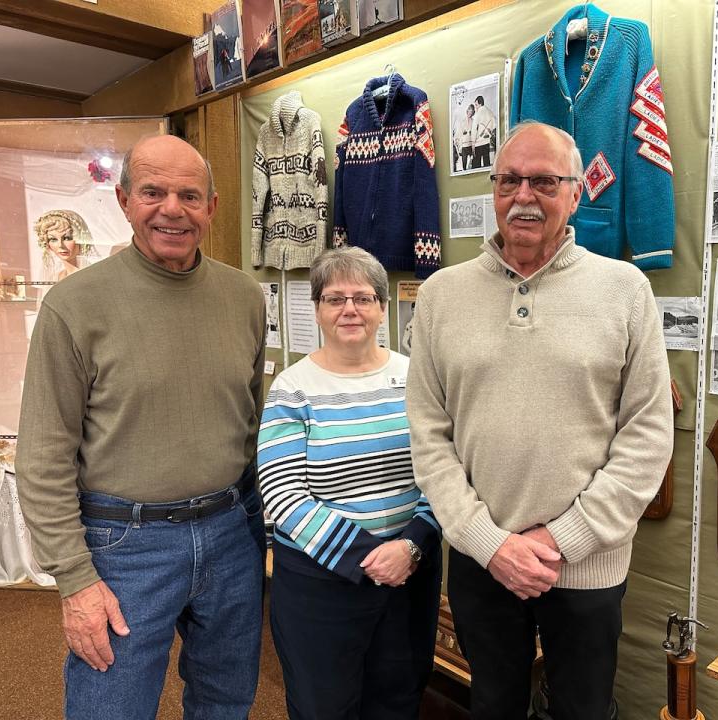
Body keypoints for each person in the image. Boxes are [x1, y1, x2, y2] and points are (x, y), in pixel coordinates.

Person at [406, 121, 673, 720]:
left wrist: (559, 542)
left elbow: (648, 435)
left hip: (586, 565)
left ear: (577, 192)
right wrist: (490, 543)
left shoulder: (624, 290)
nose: (523, 196)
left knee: (582, 709)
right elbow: (429, 436)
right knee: (493, 705)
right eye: (509, 180)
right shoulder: (442, 296)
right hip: (482, 561)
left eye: (544, 182)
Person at [15, 135, 267, 720]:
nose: (172, 209)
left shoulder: (243, 296)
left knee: (227, 702)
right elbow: (45, 457)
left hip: (231, 532)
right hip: (122, 546)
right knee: (112, 707)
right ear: (125, 200)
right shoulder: (75, 306)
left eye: (189, 195)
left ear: (212, 205)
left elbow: (250, 423)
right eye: (153, 192)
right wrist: (75, 581)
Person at [259, 247, 441, 720]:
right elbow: (281, 494)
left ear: (382, 307)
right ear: (317, 309)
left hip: (408, 574)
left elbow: (443, 471)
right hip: (322, 585)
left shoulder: (415, 377)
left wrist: (411, 548)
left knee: (398, 698)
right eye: (334, 298)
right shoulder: (293, 388)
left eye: (362, 297)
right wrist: (367, 557)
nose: (349, 309)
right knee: (325, 707)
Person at [34, 209, 95, 281]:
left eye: (67, 238)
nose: (60, 245)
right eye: (53, 239)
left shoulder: (90, 276)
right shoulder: (55, 278)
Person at [472, 95, 497, 169]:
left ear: (480, 104)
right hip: (487, 141)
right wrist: (489, 131)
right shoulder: (489, 111)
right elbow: (494, 124)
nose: (475, 107)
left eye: (476, 105)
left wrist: (473, 142)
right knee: (487, 162)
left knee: (477, 164)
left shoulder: (478, 113)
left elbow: (474, 128)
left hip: (478, 142)